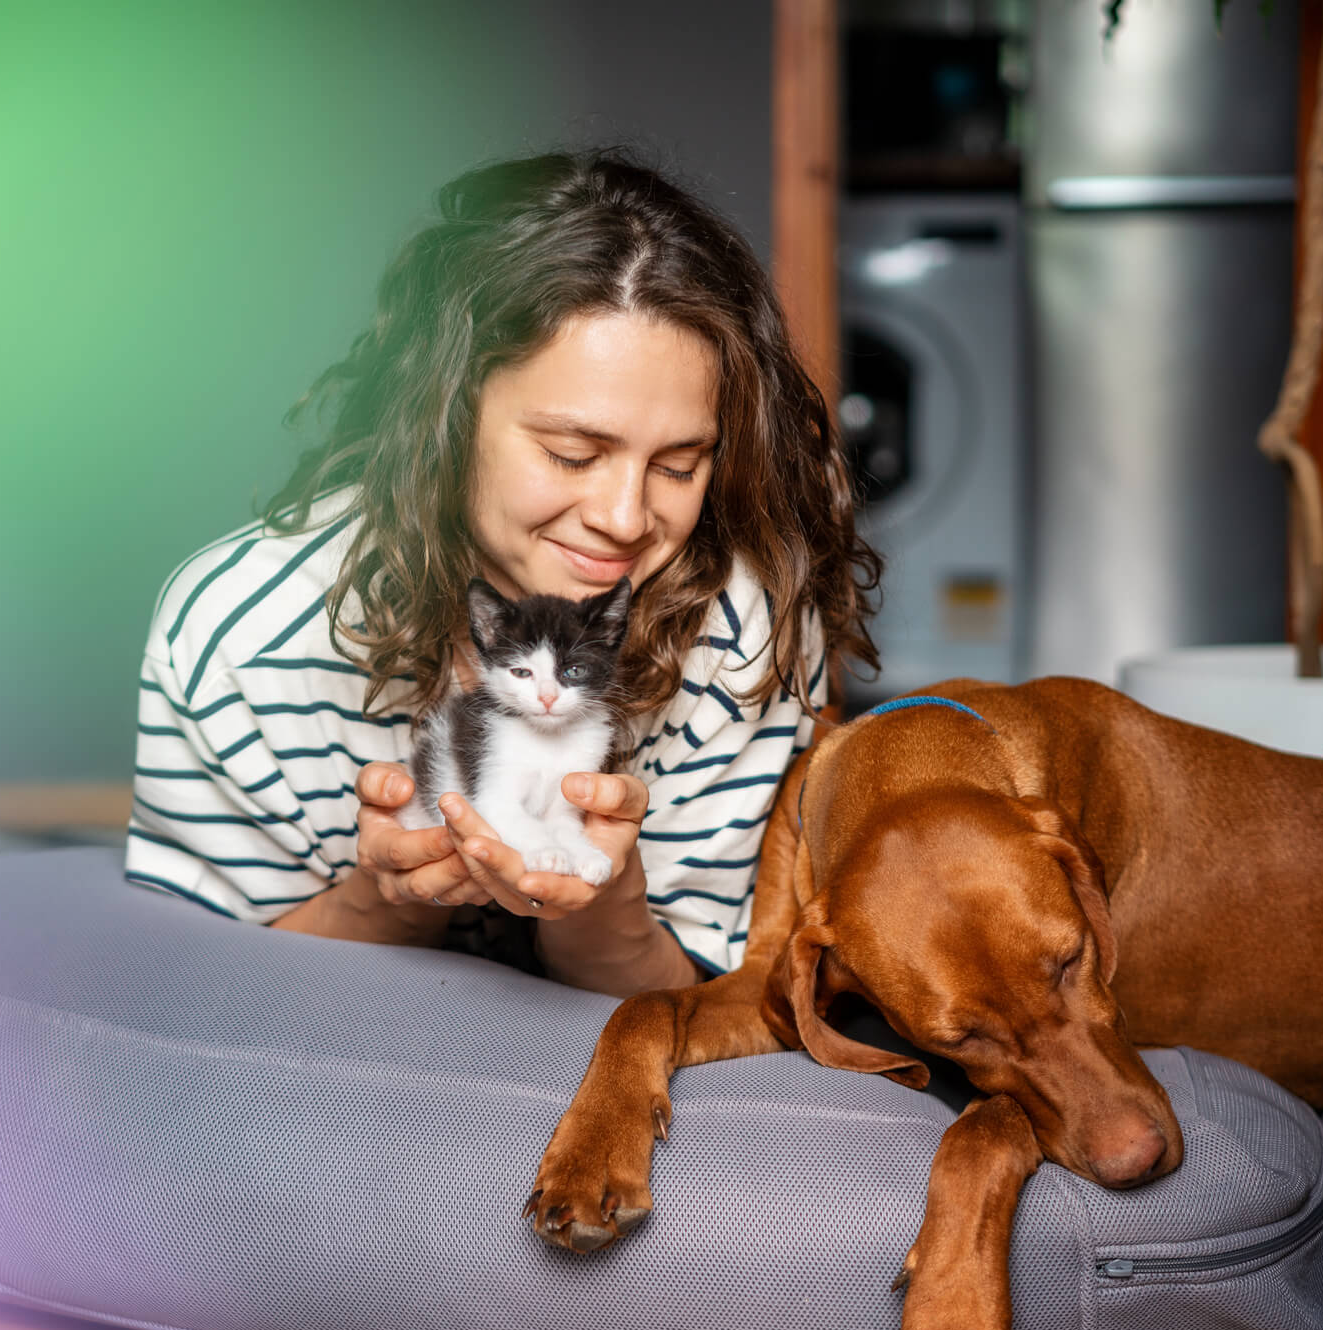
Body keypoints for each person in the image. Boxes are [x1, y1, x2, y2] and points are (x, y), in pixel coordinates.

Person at [126, 151, 879, 997]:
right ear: (444, 416)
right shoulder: (241, 632)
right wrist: (388, 904)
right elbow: (184, 999)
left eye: (678, 465)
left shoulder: (746, 633)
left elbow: (705, 1004)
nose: (626, 519)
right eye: (573, 453)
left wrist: (604, 908)